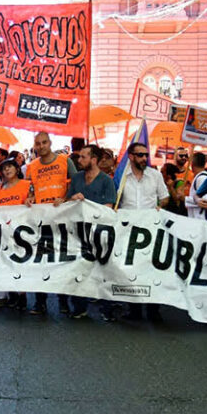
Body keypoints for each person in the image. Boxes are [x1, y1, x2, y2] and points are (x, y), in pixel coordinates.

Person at [55, 145, 116, 319]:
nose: (79, 160)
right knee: (78, 268)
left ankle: (107, 308)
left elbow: (109, 207)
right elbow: (68, 199)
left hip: (98, 232)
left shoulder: (106, 181)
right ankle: (79, 306)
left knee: (102, 270)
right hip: (78, 231)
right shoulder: (77, 178)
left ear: (94, 159)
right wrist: (72, 199)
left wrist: (90, 209)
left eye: (83, 157)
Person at [24, 132, 78, 315]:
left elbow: (76, 183)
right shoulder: (31, 166)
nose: (41, 146)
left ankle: (63, 301)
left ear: (50, 143)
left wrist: (65, 198)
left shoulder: (65, 161)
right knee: (41, 261)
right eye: (38, 144)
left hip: (63, 217)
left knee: (62, 260)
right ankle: (40, 302)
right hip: (41, 219)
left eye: (44, 142)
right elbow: (29, 188)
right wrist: (29, 197)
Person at [117, 142, 170, 321]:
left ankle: (154, 310)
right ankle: (134, 310)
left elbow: (165, 198)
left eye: (146, 155)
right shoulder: (122, 177)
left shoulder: (155, 176)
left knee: (152, 269)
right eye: (140, 155)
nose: (144, 158)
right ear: (131, 157)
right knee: (132, 270)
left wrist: (158, 206)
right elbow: (115, 200)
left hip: (151, 230)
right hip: (128, 231)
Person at [0, 158, 31, 310]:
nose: (7, 170)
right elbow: (0, 205)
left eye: (10, 167)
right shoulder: (2, 188)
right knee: (7, 262)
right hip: (6, 231)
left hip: (23, 231)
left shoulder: (27, 185)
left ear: (17, 169)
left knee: (22, 264)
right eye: (4, 168)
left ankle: (23, 295)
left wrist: (31, 200)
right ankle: (12, 294)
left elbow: (34, 202)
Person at [186, 152, 207, 219]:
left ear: (192, 164)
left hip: (201, 219)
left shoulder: (201, 179)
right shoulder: (200, 177)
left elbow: (205, 202)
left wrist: (185, 199)